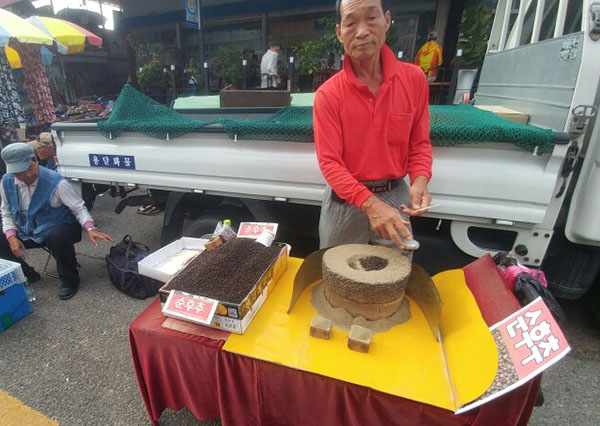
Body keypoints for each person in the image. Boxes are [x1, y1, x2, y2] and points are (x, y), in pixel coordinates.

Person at [313, 0, 432, 250]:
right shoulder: (328, 94)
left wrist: (420, 182)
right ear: (339, 33)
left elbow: (419, 144)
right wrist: (371, 204)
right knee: (337, 276)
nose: (362, 31)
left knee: (393, 278)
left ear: (387, 20)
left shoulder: (414, 80)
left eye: (371, 18)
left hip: (395, 194)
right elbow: (330, 163)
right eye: (351, 23)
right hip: (343, 202)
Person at [0, 143, 113, 300]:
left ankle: (70, 281)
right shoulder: (6, 182)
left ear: (35, 159)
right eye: (18, 172)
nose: (25, 175)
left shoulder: (55, 182)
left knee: (56, 235)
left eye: (28, 168)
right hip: (27, 229)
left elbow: (78, 207)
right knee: (2, 237)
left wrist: (90, 228)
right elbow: (6, 212)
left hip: (59, 226)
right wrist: (11, 237)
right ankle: (26, 274)